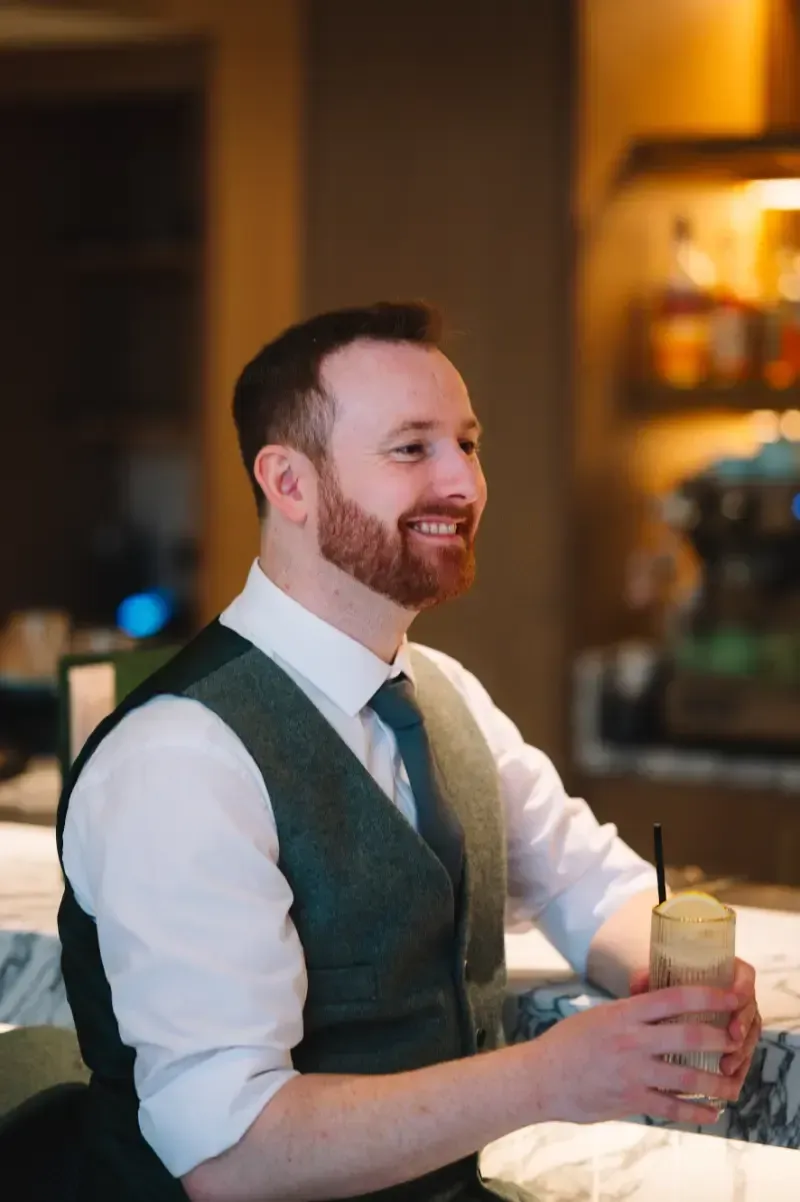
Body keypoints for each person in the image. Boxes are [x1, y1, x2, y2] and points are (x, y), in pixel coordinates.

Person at [57, 302, 760, 1202]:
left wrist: (680, 987)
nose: (464, 485)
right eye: (411, 449)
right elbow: (232, 1158)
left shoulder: (443, 695)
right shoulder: (179, 757)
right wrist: (549, 1077)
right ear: (290, 483)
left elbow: (589, 884)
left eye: (467, 445)